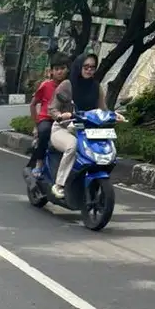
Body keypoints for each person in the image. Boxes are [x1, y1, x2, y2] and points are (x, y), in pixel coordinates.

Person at [48, 52, 124, 199]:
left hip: (87, 130)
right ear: (79, 67)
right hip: (63, 129)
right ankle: (59, 185)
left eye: (92, 67)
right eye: (86, 66)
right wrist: (60, 116)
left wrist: (115, 115)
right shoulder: (67, 85)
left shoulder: (96, 87)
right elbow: (52, 108)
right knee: (72, 146)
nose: (89, 70)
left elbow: (103, 109)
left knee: (105, 146)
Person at [29, 56, 70, 176]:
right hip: (46, 119)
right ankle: (39, 163)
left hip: (65, 119)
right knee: (44, 131)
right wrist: (36, 125)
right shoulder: (46, 85)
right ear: (51, 71)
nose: (59, 72)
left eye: (62, 68)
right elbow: (33, 104)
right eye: (56, 69)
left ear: (67, 70)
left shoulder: (70, 86)